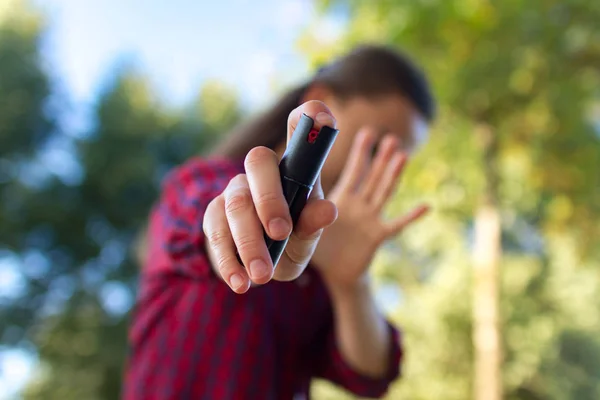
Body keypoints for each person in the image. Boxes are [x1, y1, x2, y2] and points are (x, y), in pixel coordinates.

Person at [123, 44, 436, 400]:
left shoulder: (331, 253)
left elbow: (370, 375)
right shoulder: (199, 183)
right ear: (323, 100)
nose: (380, 168)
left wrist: (350, 284)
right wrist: (241, 232)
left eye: (399, 159)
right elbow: (204, 222)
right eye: (377, 146)